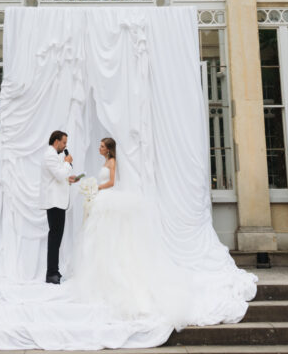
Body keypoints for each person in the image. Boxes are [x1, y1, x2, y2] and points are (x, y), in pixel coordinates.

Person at [71, 137, 196, 327]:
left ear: (108, 149)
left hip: (106, 196)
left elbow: (112, 182)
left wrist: (96, 187)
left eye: (102, 146)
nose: (99, 148)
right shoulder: (106, 162)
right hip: (101, 197)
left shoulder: (112, 162)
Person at [39, 130, 77, 284]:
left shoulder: (54, 155)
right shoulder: (50, 155)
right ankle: (51, 274)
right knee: (55, 238)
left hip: (58, 202)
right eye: (64, 142)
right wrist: (67, 162)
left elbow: (58, 177)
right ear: (56, 141)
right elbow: (60, 175)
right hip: (54, 202)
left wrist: (69, 179)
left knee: (56, 238)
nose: (65, 146)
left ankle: (54, 271)